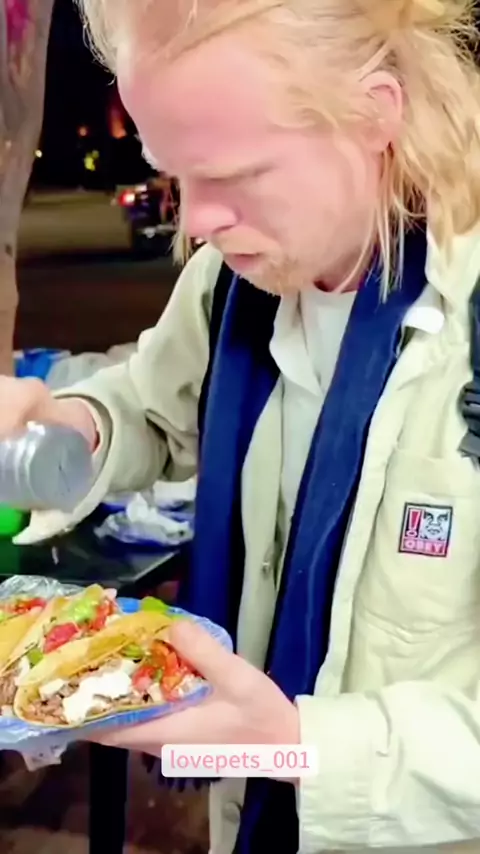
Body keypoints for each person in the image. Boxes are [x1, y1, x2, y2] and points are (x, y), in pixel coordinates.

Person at [4, 0, 480, 850]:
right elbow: (152, 407)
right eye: (175, 174)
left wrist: (296, 746)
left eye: (238, 173)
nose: (195, 222)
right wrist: (68, 428)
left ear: (375, 113)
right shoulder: (231, 284)